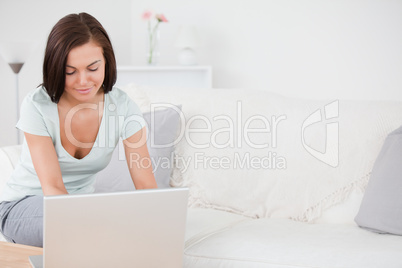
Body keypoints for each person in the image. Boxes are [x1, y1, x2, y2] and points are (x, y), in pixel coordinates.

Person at [0, 12, 157, 247]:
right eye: (70, 71)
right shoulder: (37, 105)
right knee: (86, 229)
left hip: (80, 209)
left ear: (107, 62)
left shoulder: (123, 107)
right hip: (25, 205)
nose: (83, 81)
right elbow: (52, 186)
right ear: (55, 67)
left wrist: (156, 223)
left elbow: (145, 185)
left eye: (93, 68)